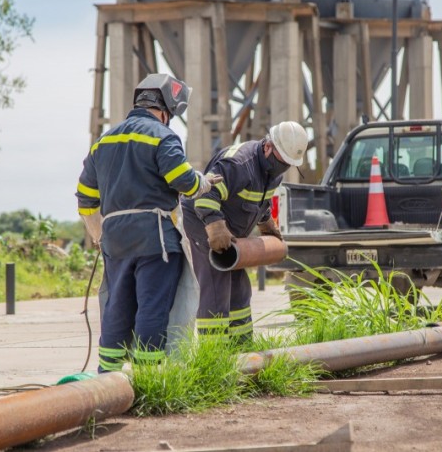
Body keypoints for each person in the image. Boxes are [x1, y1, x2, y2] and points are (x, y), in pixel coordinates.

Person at [76, 73, 220, 373]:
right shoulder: (163, 135)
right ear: (166, 108)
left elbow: (86, 197)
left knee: (117, 307)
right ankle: (147, 378)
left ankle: (108, 380)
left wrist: (101, 236)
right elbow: (182, 179)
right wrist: (203, 183)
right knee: (152, 308)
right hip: (155, 241)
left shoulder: (104, 141)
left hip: (115, 241)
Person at [181, 121, 308, 343]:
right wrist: (215, 226)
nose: (284, 167)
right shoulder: (238, 163)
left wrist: (266, 223)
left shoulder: (273, 172)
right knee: (215, 283)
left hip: (233, 230)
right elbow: (205, 195)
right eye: (282, 160)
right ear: (268, 147)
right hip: (203, 221)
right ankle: (214, 354)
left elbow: (260, 201)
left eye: (289, 163)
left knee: (239, 288)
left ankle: (241, 347)